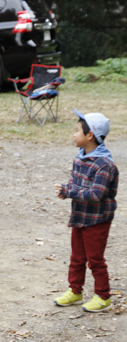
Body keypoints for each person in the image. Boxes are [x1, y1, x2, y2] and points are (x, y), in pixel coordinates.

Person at [54, 111, 118, 313]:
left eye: (77, 130)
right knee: (77, 257)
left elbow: (96, 194)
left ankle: (103, 296)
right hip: (80, 216)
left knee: (95, 259)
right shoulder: (79, 158)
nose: (74, 134)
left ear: (90, 135)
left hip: (97, 219)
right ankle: (75, 291)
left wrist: (70, 191)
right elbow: (75, 184)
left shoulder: (104, 165)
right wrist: (66, 190)